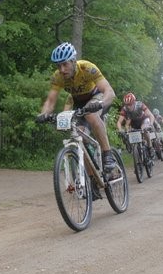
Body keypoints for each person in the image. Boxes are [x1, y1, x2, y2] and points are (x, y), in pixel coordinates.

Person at [37, 42, 118, 178]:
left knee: (91, 115)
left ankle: (107, 154)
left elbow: (109, 91)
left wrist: (101, 103)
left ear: (74, 61)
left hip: (97, 96)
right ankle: (93, 179)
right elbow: (50, 101)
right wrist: (43, 114)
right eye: (58, 66)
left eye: (65, 64)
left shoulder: (87, 68)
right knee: (80, 137)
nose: (62, 69)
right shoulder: (58, 77)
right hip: (79, 102)